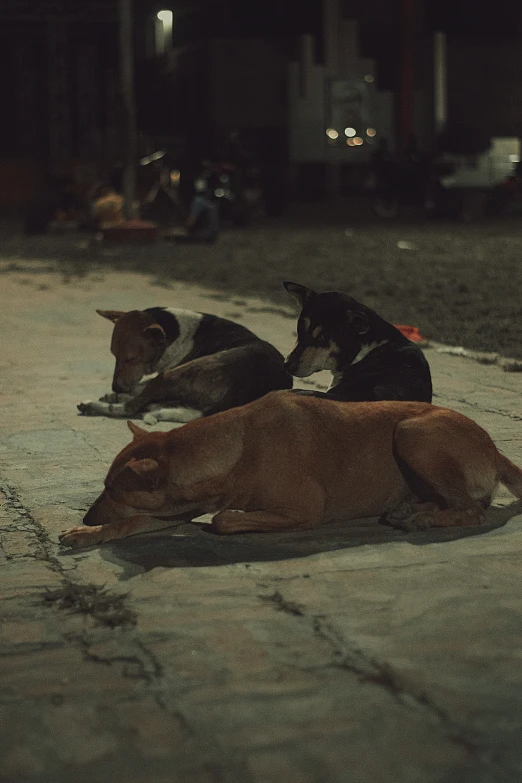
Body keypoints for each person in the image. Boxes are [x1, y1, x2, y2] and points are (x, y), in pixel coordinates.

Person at [173, 177, 219, 243]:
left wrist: (181, 227)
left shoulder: (198, 200)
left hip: (205, 235)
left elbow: (191, 222)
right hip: (213, 235)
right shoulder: (208, 201)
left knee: (179, 237)